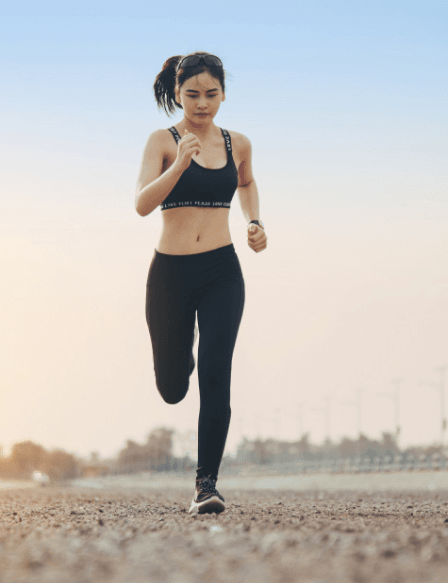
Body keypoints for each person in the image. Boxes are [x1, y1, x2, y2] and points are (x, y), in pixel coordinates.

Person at [135, 52, 267, 514]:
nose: (202, 103)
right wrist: (178, 166)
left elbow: (247, 183)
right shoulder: (163, 141)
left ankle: (205, 485)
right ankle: (179, 361)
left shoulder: (239, 143)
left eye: (211, 94)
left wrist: (255, 221)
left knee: (217, 372)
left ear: (224, 93)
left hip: (221, 273)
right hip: (170, 274)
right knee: (173, 386)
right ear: (177, 94)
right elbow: (141, 204)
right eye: (192, 94)